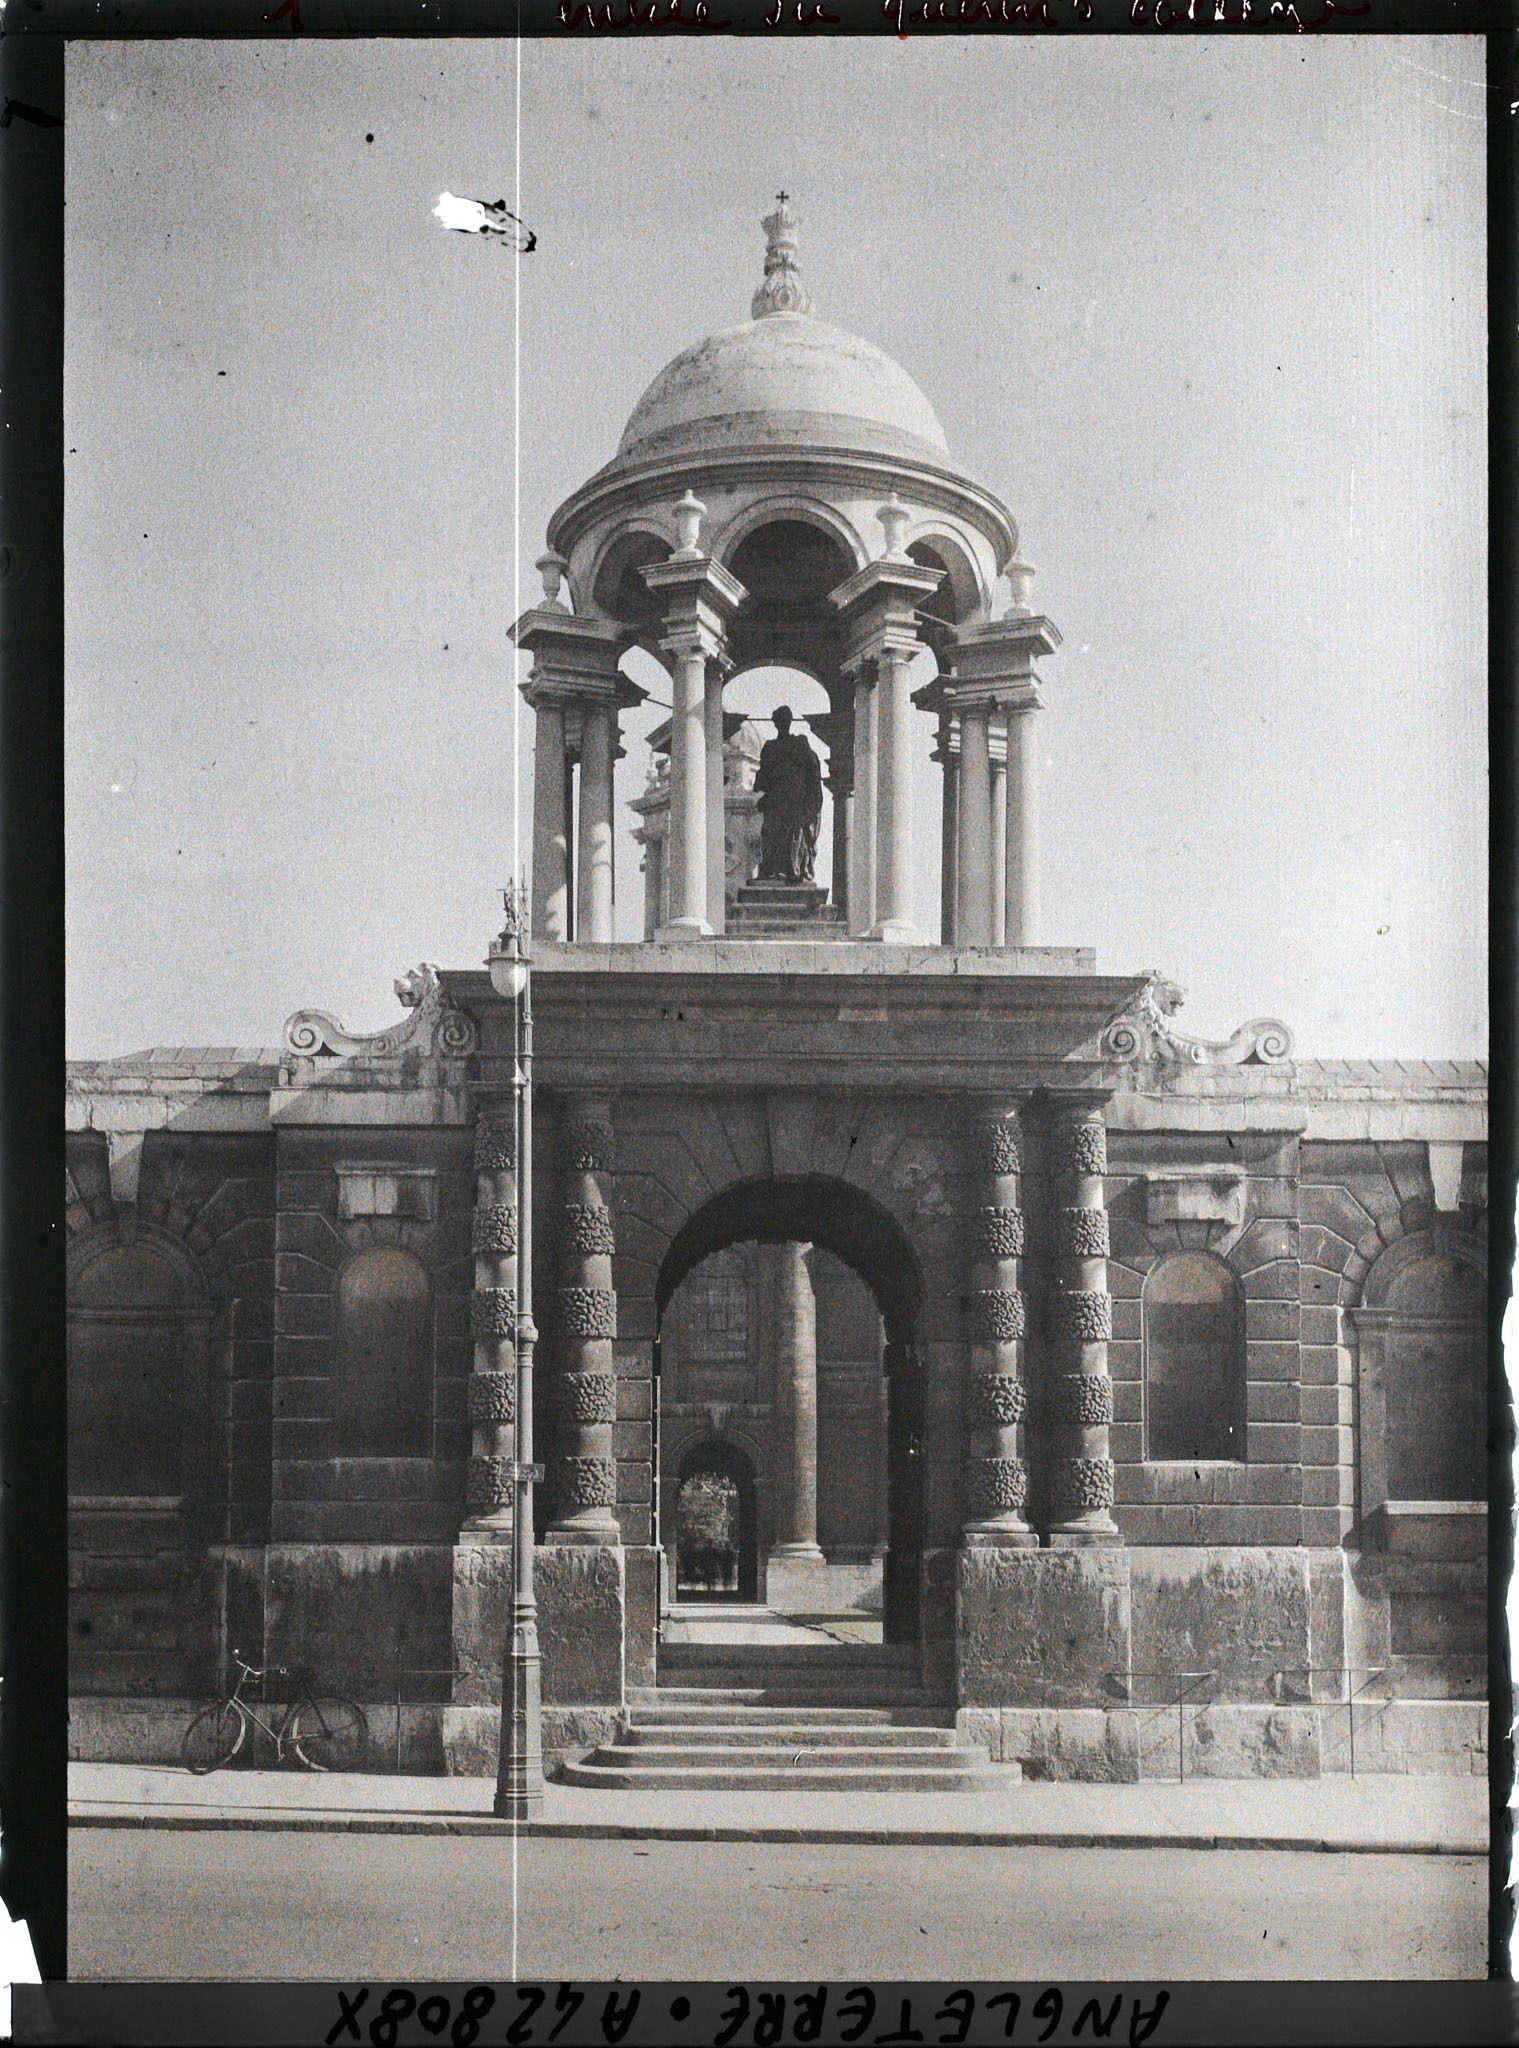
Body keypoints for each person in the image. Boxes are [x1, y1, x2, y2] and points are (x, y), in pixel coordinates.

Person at [754, 706, 823, 884]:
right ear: (777, 723)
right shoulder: (773, 747)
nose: (782, 724)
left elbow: (812, 771)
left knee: (791, 838)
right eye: (780, 720)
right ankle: (776, 870)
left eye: (784, 720)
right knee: (773, 837)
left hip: (793, 802)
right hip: (780, 802)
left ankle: (792, 870)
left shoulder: (798, 744)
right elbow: (763, 778)